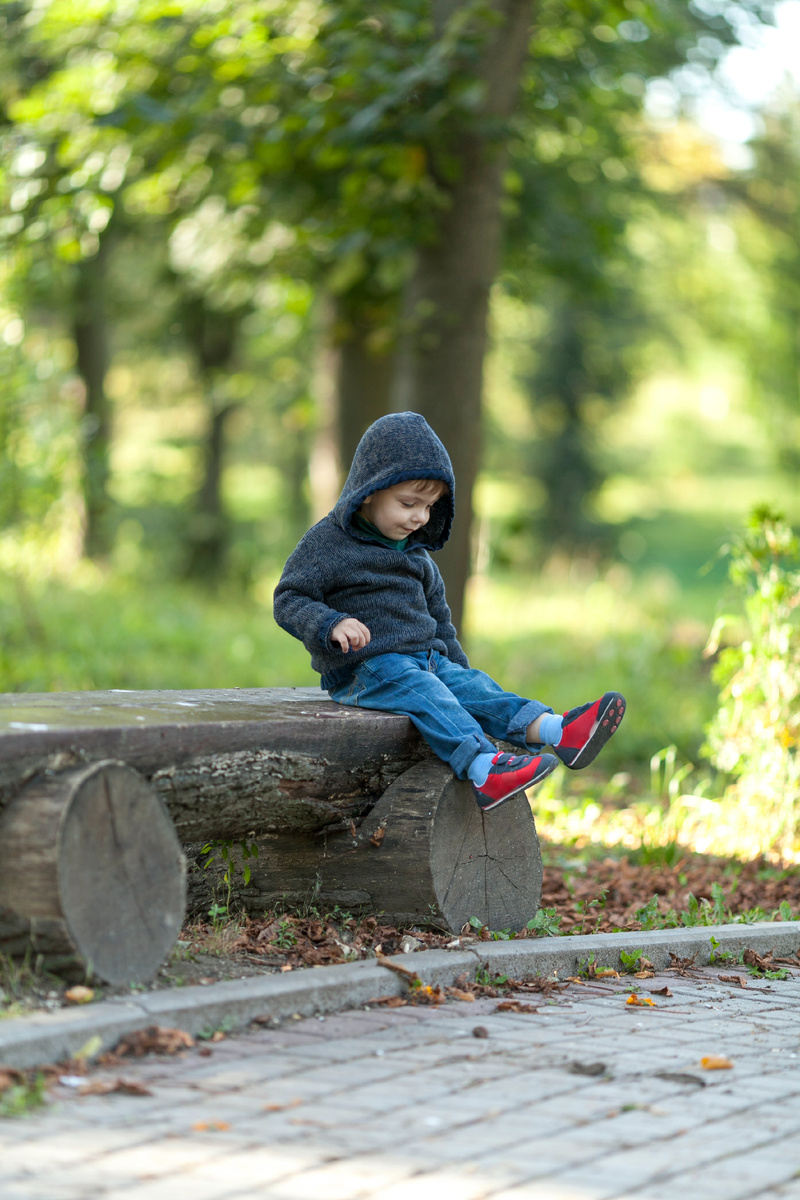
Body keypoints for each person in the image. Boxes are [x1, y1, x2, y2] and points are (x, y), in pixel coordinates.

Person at [274, 412, 625, 811]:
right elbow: (288, 598)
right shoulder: (327, 543)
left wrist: (459, 670)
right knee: (426, 691)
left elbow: (441, 621)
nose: (419, 517)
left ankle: (560, 732)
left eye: (428, 506)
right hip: (365, 669)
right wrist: (330, 623)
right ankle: (482, 769)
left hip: (426, 660)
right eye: (408, 504)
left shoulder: (418, 557)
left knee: (475, 688)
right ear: (369, 489)